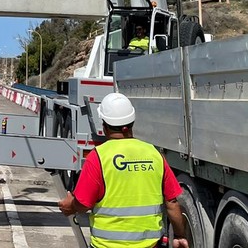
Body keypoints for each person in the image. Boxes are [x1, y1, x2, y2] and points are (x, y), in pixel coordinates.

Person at [58, 93, 188, 248]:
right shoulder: (154, 155)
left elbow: (82, 203)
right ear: (132, 122)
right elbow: (172, 203)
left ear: (104, 125)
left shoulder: (98, 157)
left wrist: (69, 206)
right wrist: (180, 235)